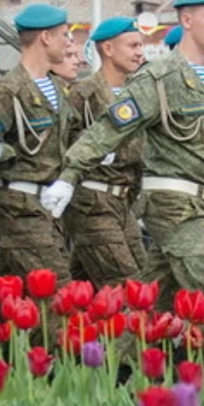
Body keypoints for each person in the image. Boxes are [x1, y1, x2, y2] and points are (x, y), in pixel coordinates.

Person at [59, 0, 204, 312]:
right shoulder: (159, 77)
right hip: (172, 205)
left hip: (201, 202)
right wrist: (70, 173)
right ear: (186, 20)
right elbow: (110, 128)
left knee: (152, 300)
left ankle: (126, 357)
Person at [0, 5, 77, 282]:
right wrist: (1, 151)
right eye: (64, 35)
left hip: (48, 206)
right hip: (19, 207)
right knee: (58, 290)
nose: (68, 42)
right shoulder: (8, 91)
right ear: (45, 37)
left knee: (10, 294)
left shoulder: (58, 89)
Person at [63, 17, 147, 287]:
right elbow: (62, 143)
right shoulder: (83, 93)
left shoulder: (140, 92)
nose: (139, 52)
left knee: (81, 285)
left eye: (140, 45)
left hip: (124, 203)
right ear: (108, 49)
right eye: (132, 45)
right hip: (92, 202)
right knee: (127, 286)